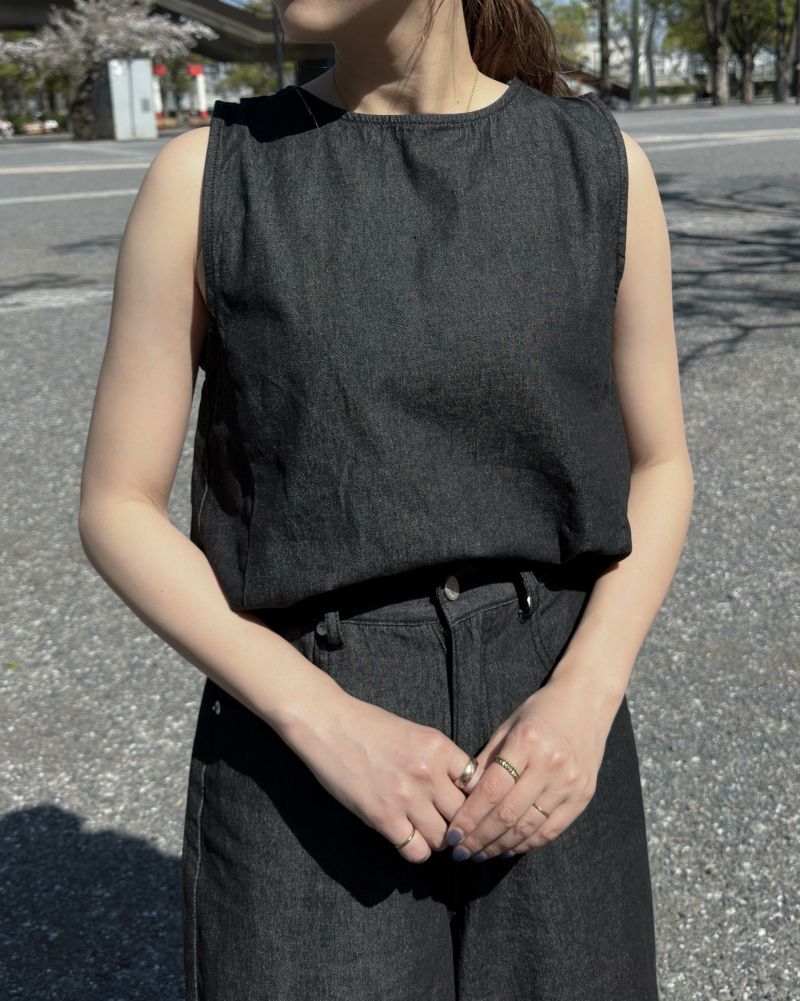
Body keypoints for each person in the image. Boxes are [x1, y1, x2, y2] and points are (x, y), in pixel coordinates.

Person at [78, 1, 694, 999]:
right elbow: (117, 505)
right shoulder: (208, 179)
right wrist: (322, 718)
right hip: (302, 745)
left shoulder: (598, 166)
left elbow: (658, 465)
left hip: (547, 730)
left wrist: (585, 697)